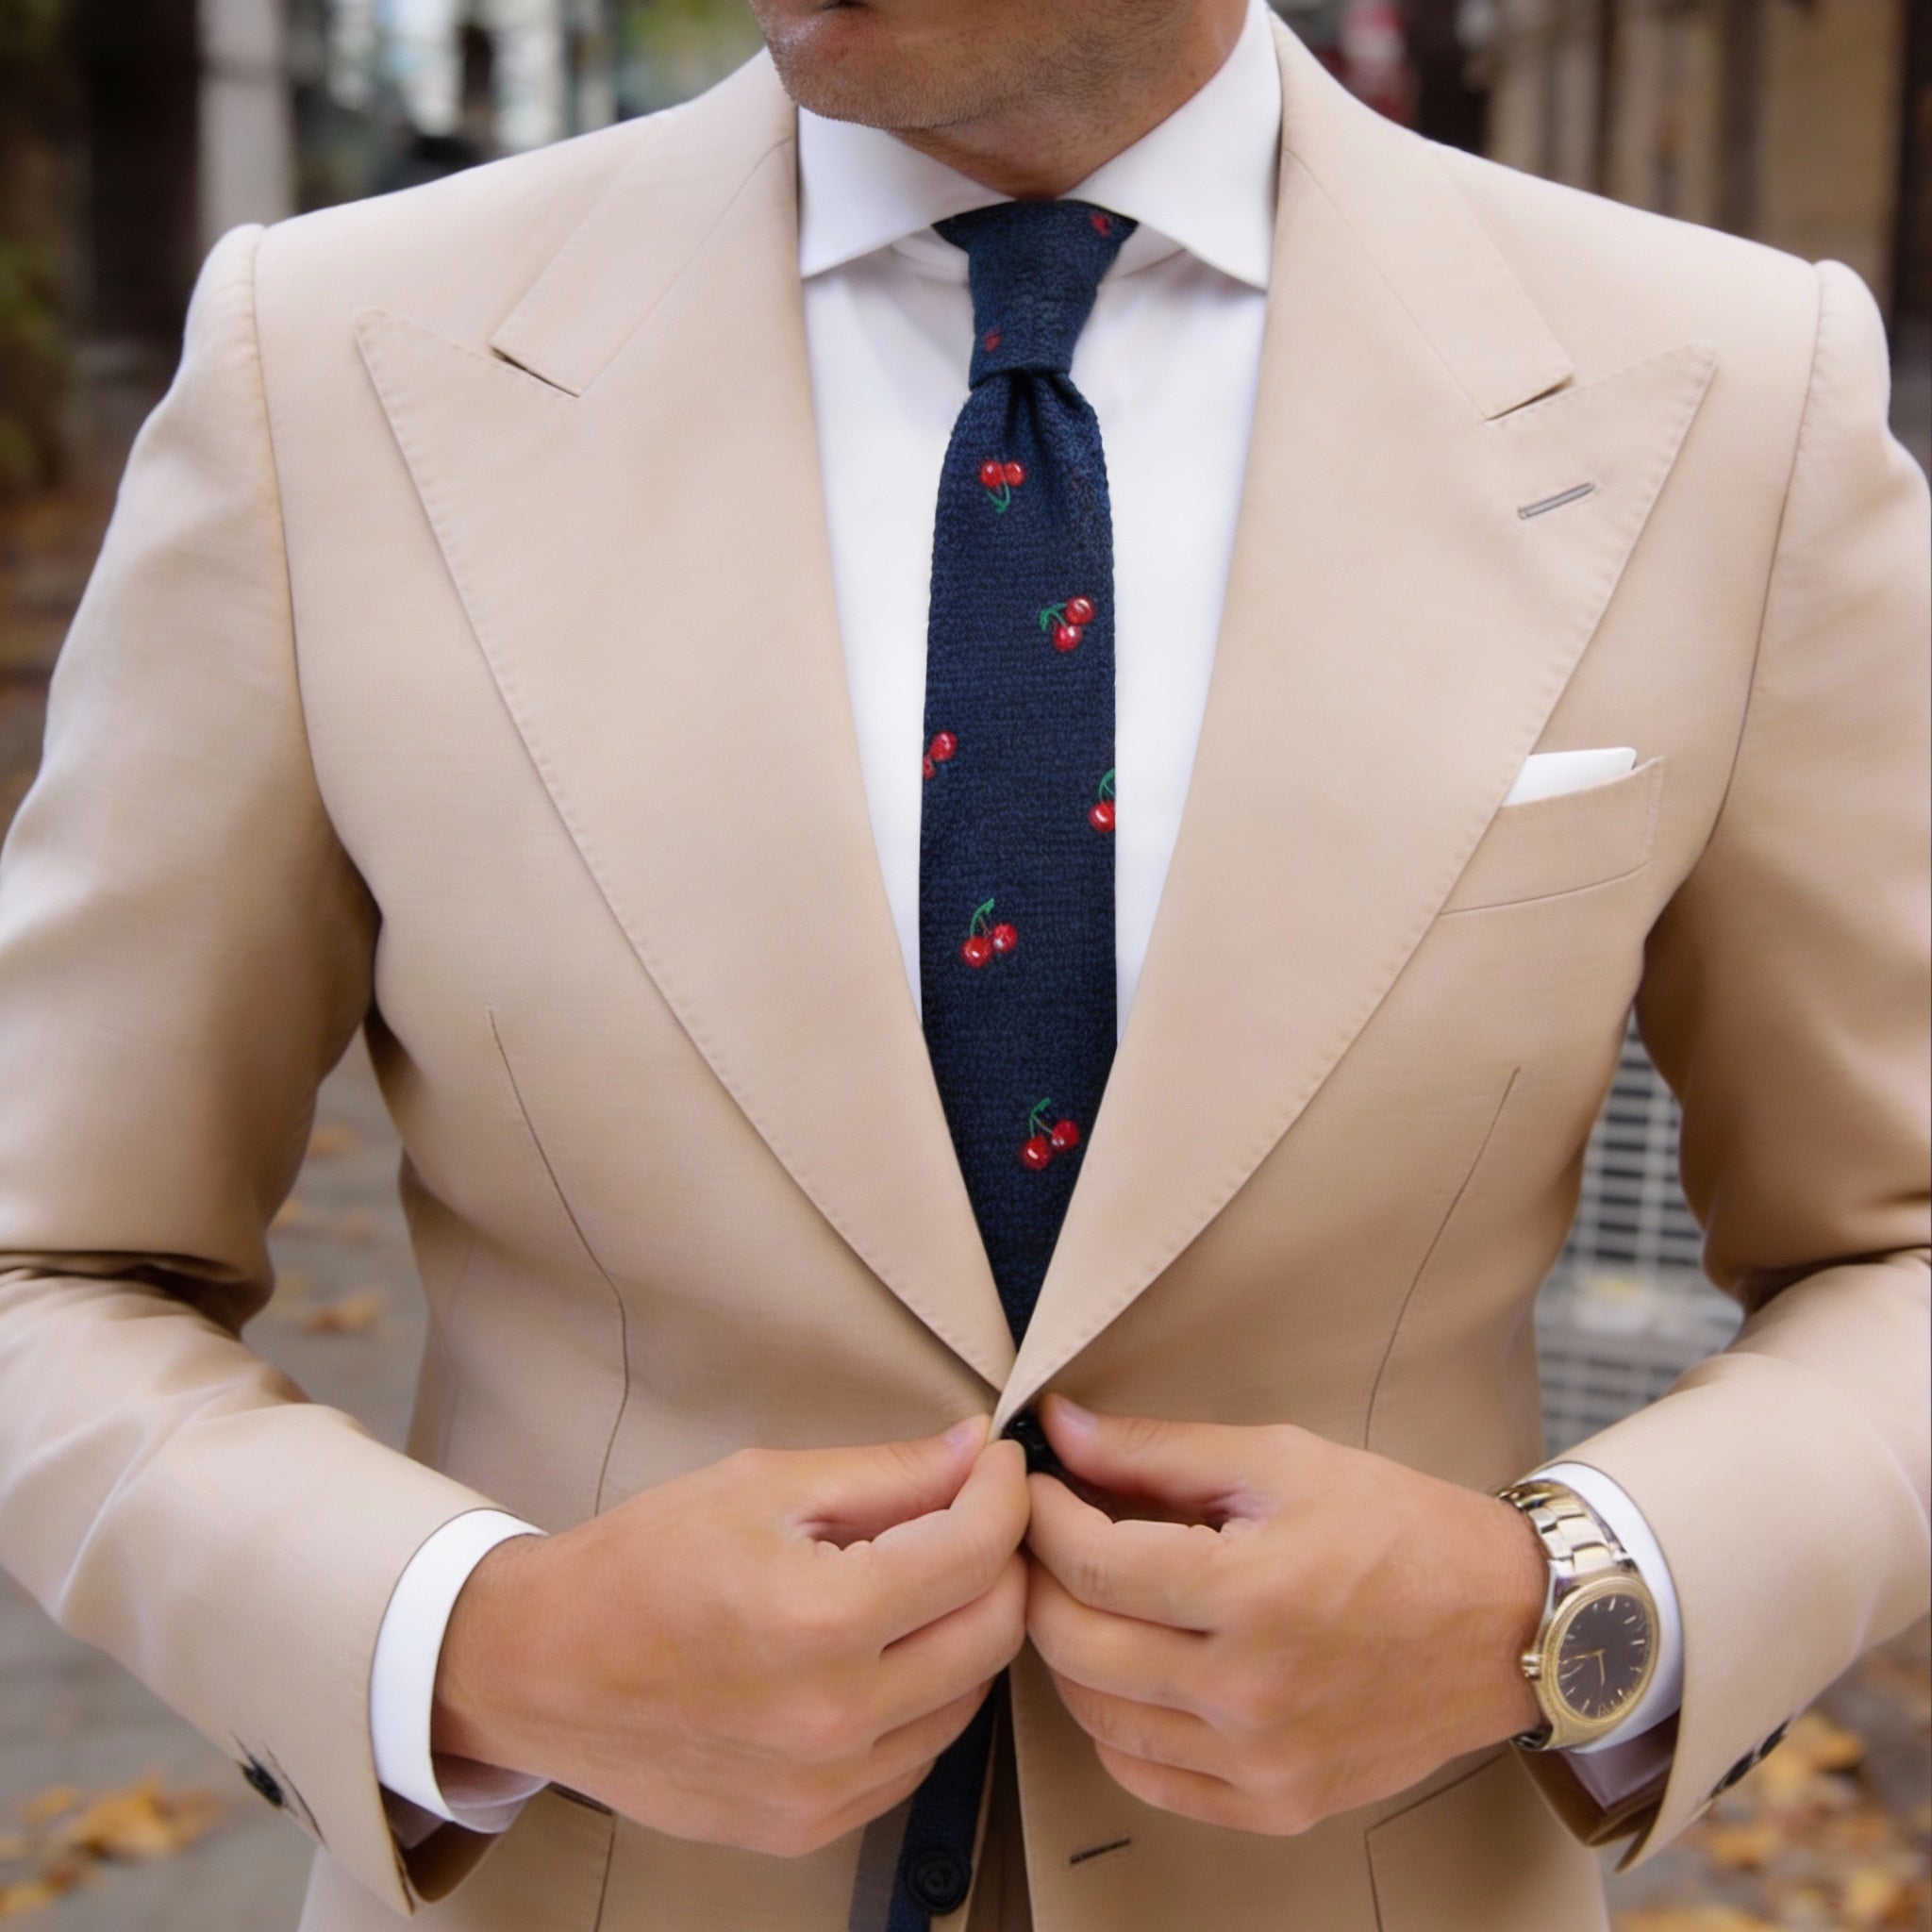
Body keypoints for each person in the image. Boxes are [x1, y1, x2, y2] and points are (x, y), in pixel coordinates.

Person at [0, 0, 1924, 1925]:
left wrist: (1564, 1601)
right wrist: (474, 1642)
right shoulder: (329, 365)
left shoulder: (1724, 392)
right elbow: (46, 1256)